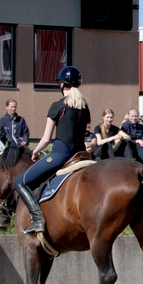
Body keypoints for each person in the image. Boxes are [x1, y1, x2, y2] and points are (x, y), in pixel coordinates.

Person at [14, 66, 91, 234]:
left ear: (62, 85)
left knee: (19, 182)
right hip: (83, 155)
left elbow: (46, 139)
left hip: (61, 155)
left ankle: (37, 219)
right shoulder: (84, 107)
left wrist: (35, 151)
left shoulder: (58, 106)